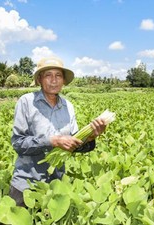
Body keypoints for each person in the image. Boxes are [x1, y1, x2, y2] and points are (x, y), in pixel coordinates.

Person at [9, 57, 106, 207]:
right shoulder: (26, 102)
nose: (54, 80)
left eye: (58, 75)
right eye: (48, 75)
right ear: (40, 79)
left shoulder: (68, 106)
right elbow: (18, 143)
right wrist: (52, 141)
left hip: (55, 186)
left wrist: (90, 136)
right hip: (26, 185)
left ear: (63, 81)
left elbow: (74, 144)